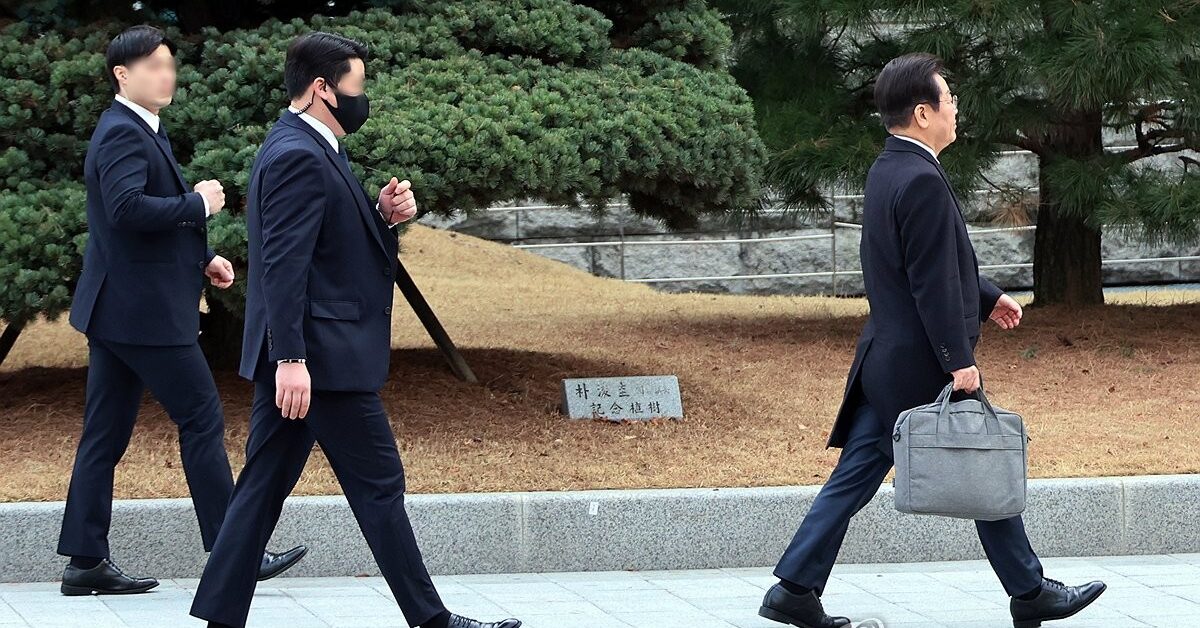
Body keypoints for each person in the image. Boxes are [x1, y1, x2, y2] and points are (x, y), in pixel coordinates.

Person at [757, 53, 1107, 628]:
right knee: (983, 462)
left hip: (885, 358)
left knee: (855, 478)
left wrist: (988, 294)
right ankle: (1030, 590)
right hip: (922, 363)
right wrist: (958, 361)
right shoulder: (919, 177)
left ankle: (793, 587)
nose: (956, 108)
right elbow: (930, 281)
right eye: (949, 100)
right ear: (923, 113)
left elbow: (930, 262)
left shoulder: (889, 168)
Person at [187, 32, 522, 628]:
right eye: (356, 86)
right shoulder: (297, 153)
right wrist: (290, 358)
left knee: (263, 486)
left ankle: (218, 616)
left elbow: (322, 249)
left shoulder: (312, 146)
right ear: (322, 89)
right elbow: (283, 266)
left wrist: (381, 218)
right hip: (320, 358)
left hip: (308, 354)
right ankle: (432, 620)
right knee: (379, 483)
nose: (362, 98)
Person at [58, 25, 306, 597]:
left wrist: (203, 256)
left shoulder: (139, 129)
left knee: (104, 435)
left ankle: (84, 561)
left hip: (117, 310)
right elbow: (125, 210)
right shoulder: (123, 131)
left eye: (169, 65)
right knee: (200, 417)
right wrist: (199, 202)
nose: (166, 74)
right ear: (123, 75)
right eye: (153, 66)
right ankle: (233, 549)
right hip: (143, 315)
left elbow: (138, 227)